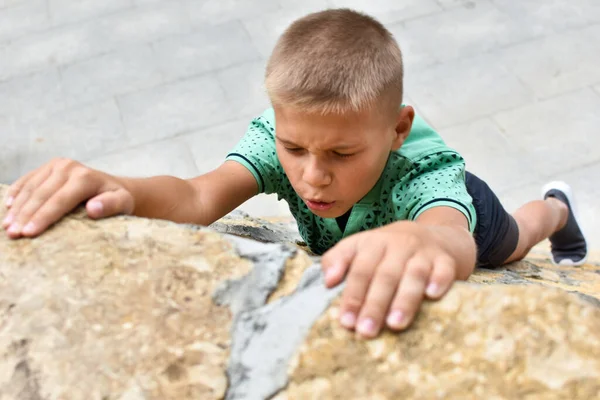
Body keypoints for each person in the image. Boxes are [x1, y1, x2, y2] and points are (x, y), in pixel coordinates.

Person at [1, 9, 587, 339]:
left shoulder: (421, 175)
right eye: (294, 147)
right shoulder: (286, 141)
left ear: (398, 128)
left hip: (469, 213)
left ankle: (558, 208)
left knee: (513, 240)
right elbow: (199, 194)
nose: (312, 177)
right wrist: (121, 189)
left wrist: (419, 235)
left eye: (341, 155)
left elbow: (449, 235)